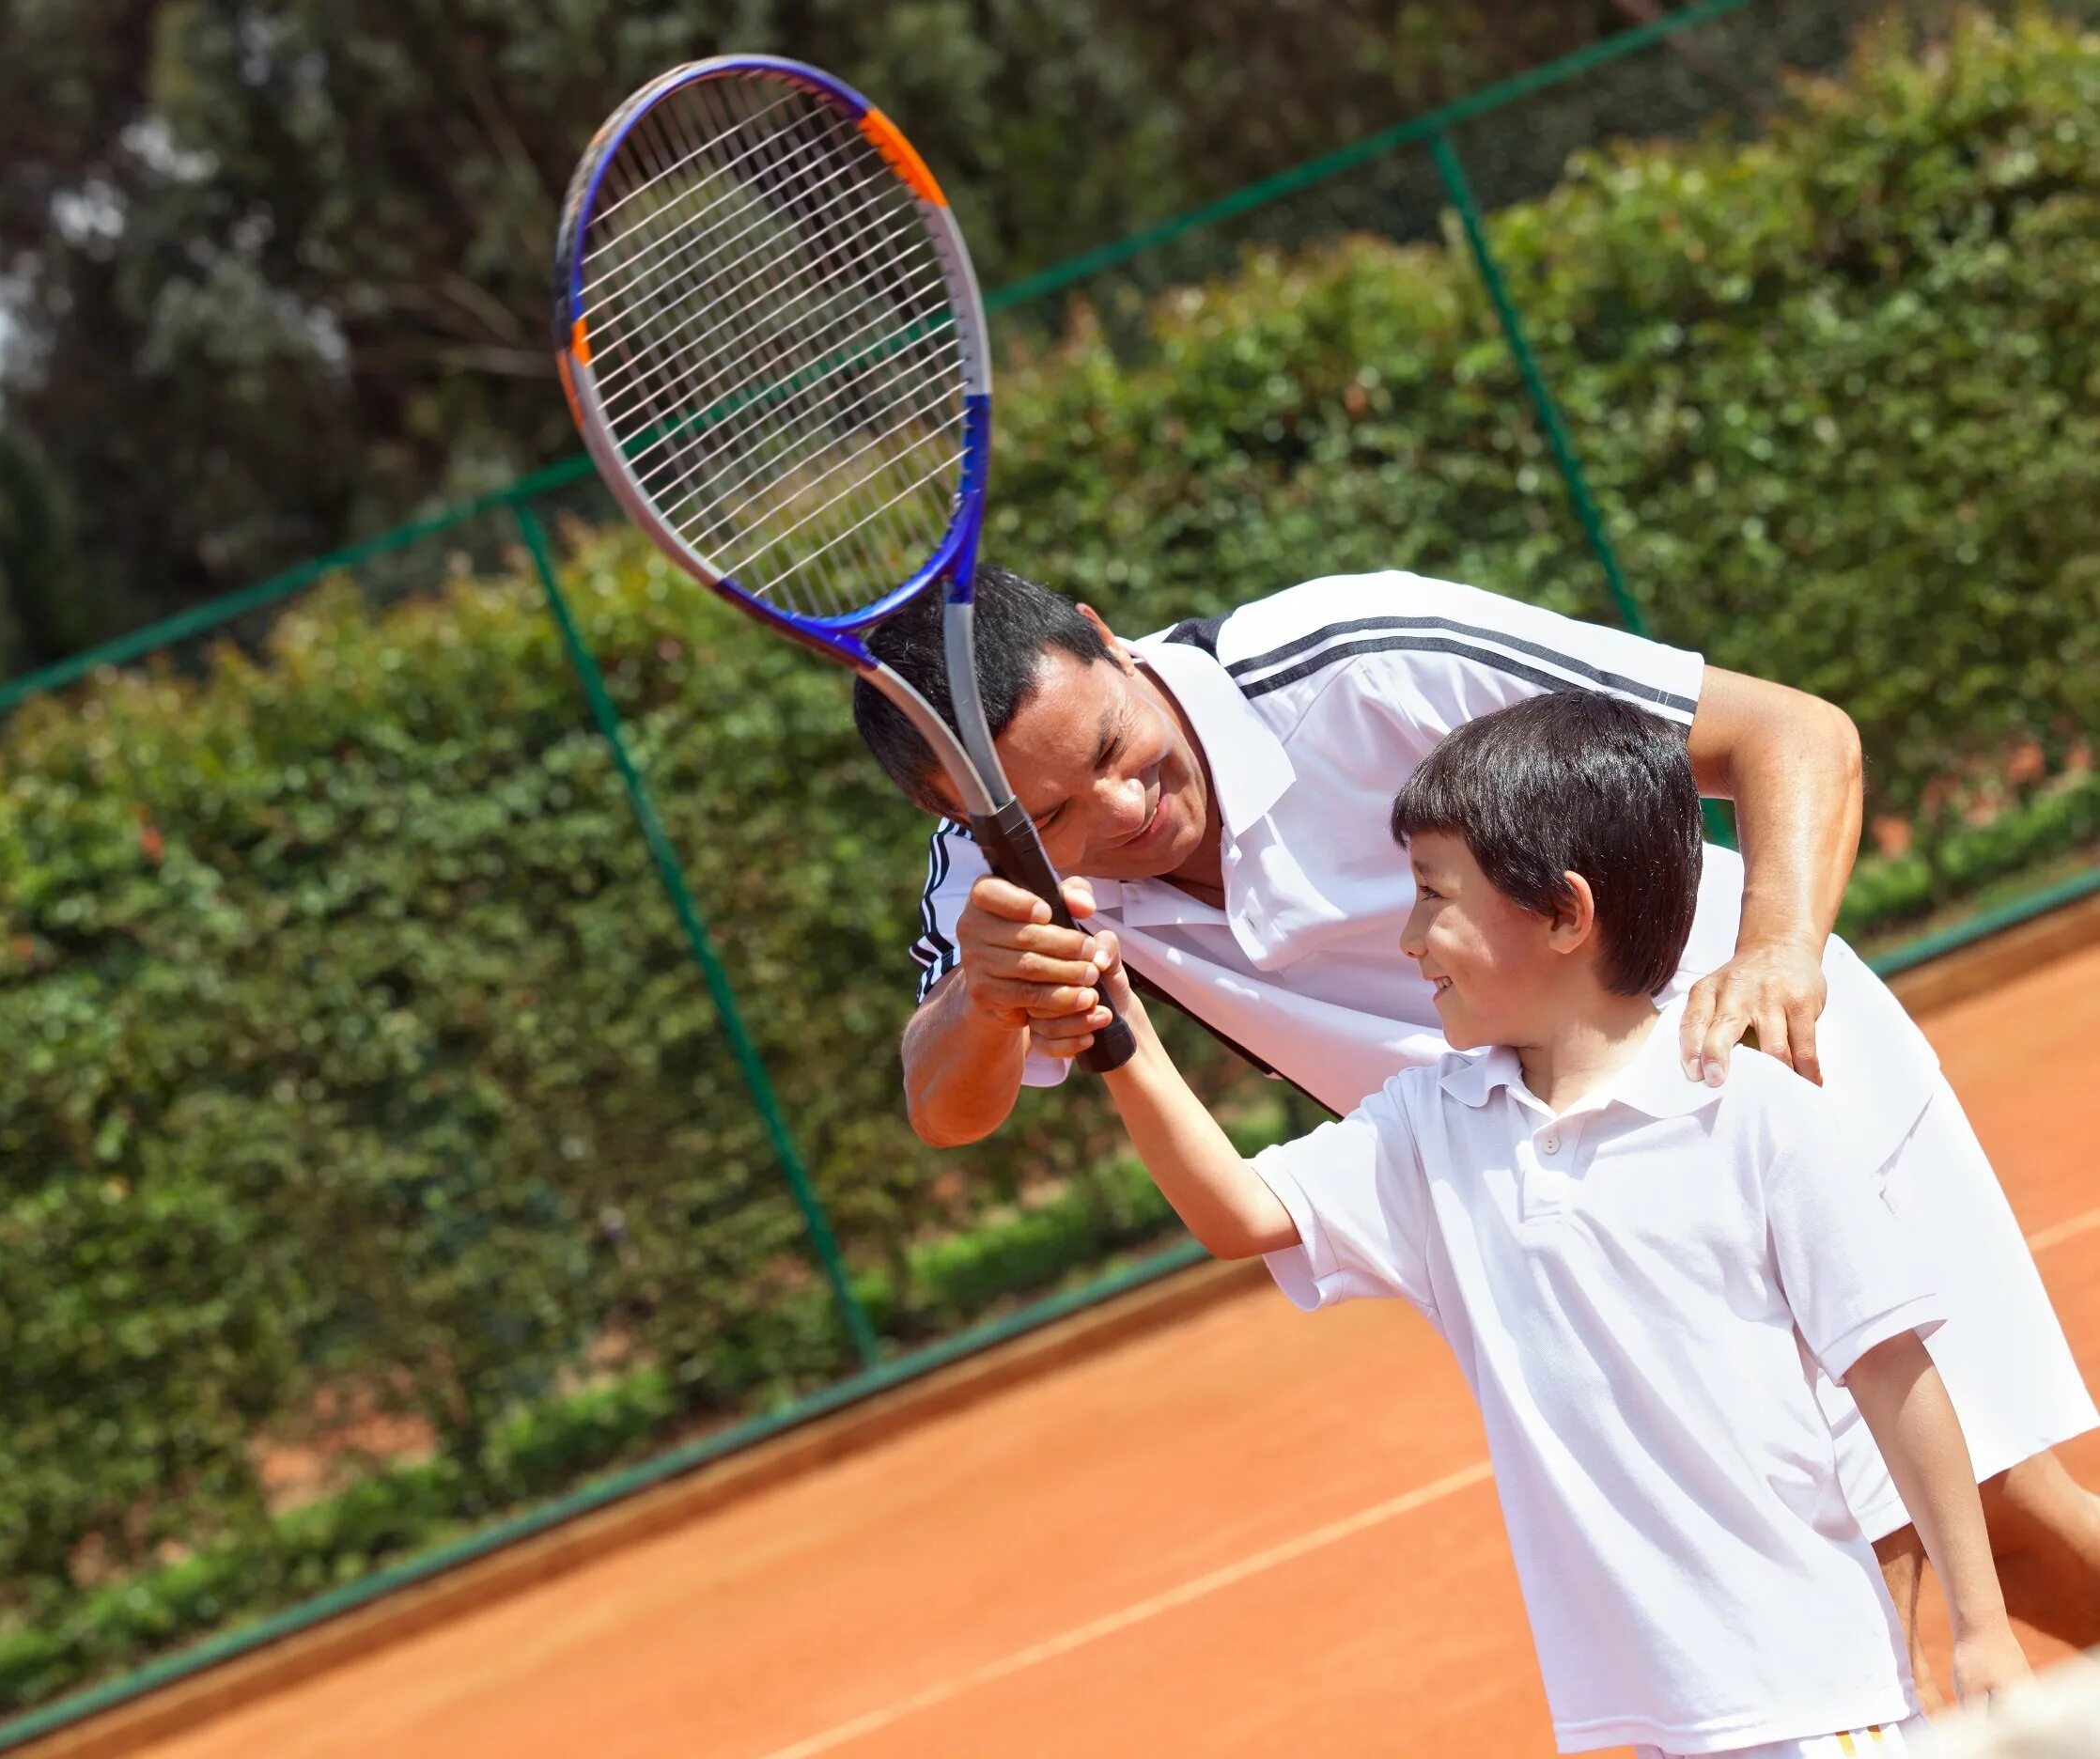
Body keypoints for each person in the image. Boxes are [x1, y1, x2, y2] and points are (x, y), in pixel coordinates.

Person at [854, 566, 2100, 1702]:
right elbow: (946, 1103)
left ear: (1111, 640)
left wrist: (1776, 955)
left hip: (1761, 1070)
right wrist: (985, 994)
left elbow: (1789, 733)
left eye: (1123, 751)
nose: (1124, 811)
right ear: (969, 821)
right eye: (1058, 813)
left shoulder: (1356, 654)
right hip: (1558, 1192)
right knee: (2004, 1541)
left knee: (1851, 1569)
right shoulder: (990, 886)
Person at [1092, 689, 2030, 1755]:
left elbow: (1891, 1373)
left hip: (1815, 1703)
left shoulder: (1749, 1109)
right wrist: (1122, 1037)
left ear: (1562, 913)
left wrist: (1982, 1626)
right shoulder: (1429, 1125)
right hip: (1653, 1720)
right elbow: (1240, 1212)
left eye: (1430, 896)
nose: (1406, 939)